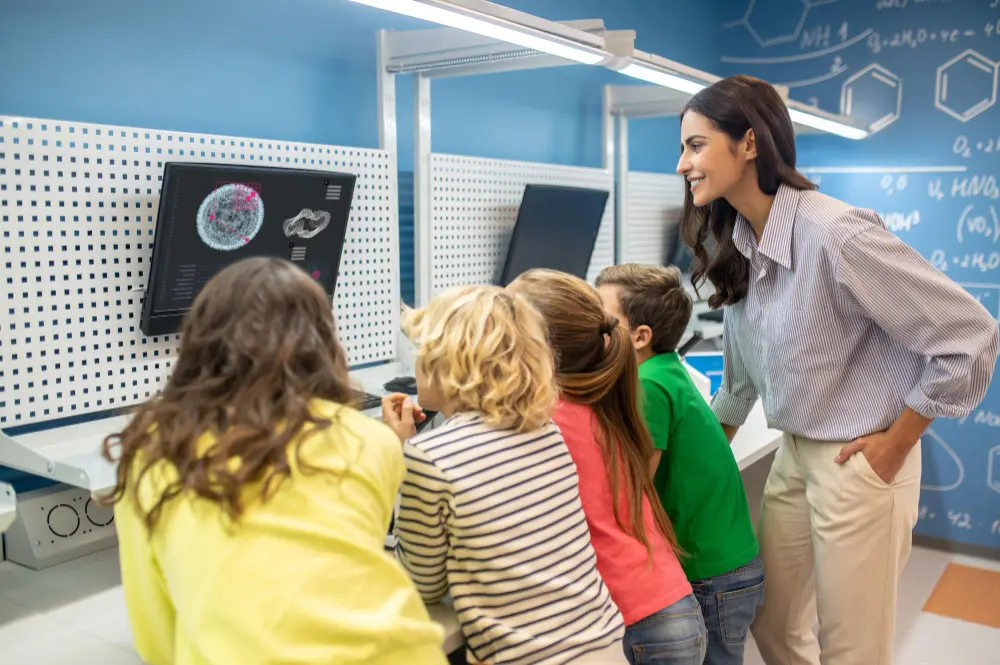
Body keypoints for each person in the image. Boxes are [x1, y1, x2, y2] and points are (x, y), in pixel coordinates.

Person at [675, 74, 999, 665]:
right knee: (769, 624)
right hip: (793, 452)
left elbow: (971, 334)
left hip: (860, 459)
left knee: (852, 650)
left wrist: (897, 443)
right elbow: (743, 379)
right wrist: (693, 463)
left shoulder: (835, 233)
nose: (682, 164)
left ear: (749, 143)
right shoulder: (745, 242)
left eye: (696, 145)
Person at [103, 257, 447, 665]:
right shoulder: (373, 441)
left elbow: (155, 635)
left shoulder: (151, 452)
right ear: (324, 346)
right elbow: (346, 568)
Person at [382, 285, 627, 665]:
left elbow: (421, 583)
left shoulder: (430, 457)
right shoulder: (546, 432)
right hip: (604, 647)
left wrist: (401, 460)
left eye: (421, 350)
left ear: (448, 362)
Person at [508, 269, 707, 665]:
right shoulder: (601, 403)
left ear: (534, 346)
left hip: (642, 624)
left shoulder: (548, 422)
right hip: (670, 606)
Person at [596, 263, 763, 665]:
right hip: (728, 566)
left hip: (712, 575)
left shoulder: (648, 385)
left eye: (603, 319)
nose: (593, 327)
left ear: (639, 336)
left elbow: (634, 489)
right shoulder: (665, 368)